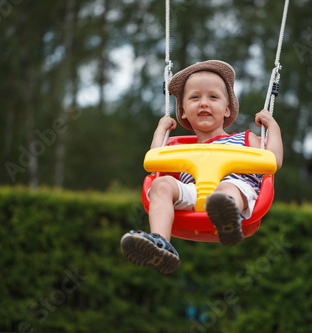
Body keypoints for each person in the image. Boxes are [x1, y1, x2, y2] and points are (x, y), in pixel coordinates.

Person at [121, 60, 283, 274]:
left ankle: (228, 219)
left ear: (227, 109)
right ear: (184, 112)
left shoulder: (245, 139)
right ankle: (160, 243)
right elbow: (154, 161)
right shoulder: (178, 149)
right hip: (194, 193)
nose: (204, 103)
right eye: (195, 97)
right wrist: (161, 130)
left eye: (213, 97)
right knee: (161, 184)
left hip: (238, 190)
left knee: (226, 190)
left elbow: (273, 161)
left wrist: (273, 128)